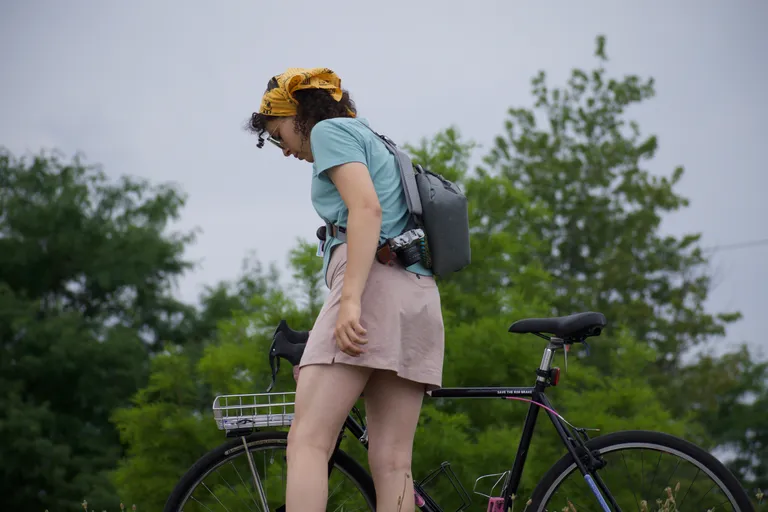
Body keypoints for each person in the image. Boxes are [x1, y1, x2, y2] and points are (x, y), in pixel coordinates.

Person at [247, 67, 445, 511]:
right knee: (394, 464)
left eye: (278, 135)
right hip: (417, 298)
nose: (283, 150)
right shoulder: (375, 139)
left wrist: (351, 300)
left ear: (297, 114)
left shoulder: (330, 133)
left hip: (371, 289)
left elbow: (366, 210)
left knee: (308, 443)